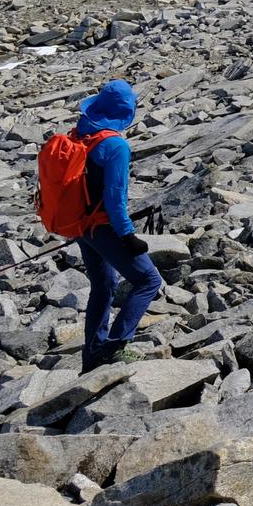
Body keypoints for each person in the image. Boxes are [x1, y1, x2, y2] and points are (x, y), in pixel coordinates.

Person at [70, 80, 163, 371]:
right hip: (102, 227)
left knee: (104, 285)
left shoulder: (80, 133)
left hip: (80, 226)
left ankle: (92, 355)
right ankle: (114, 347)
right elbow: (114, 199)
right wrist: (127, 235)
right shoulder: (115, 145)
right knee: (148, 280)